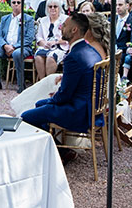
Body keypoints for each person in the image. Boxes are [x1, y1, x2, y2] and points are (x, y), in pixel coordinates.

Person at [20, 12, 102, 142]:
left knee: (26, 116)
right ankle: (58, 147)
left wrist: (52, 99)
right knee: (39, 104)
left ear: (74, 30)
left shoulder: (73, 57)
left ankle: (58, 152)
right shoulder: (91, 50)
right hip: (92, 108)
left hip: (79, 112)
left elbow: (65, 95)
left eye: (64, 25)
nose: (60, 28)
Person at [0, 0, 35, 93]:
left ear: (22, 5)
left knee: (17, 53)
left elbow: (29, 38)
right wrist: (5, 46)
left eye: (18, 2)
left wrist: (13, 47)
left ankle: (21, 85)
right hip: (6, 47)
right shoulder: (5, 19)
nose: (16, 4)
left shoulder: (28, 19)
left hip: (23, 48)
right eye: (14, 2)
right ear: (11, 4)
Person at [33, 0, 68, 80]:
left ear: (59, 8)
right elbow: (39, 37)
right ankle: (42, 82)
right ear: (47, 8)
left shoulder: (65, 19)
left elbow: (68, 37)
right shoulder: (43, 20)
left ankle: (48, 82)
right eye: (50, 6)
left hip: (60, 47)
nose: (52, 8)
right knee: (38, 57)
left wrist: (55, 42)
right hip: (45, 46)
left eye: (55, 6)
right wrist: (44, 43)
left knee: (51, 57)